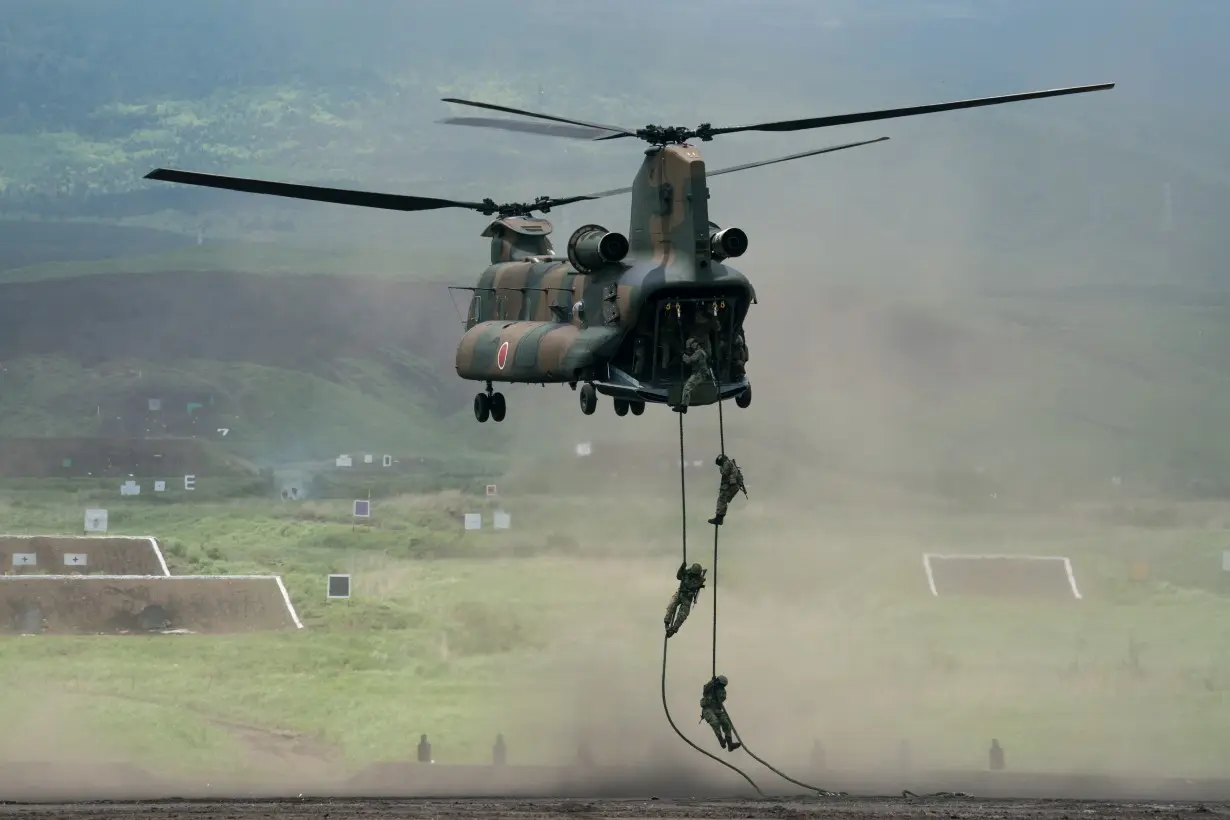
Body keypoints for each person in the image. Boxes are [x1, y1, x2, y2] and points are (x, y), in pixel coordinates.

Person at [664, 561, 707, 638]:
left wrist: (699, 583)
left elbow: (690, 586)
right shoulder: (687, 572)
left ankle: (674, 628)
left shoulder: (699, 580)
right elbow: (679, 576)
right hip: (680, 593)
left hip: (687, 598)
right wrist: (682, 568)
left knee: (682, 615)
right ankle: (667, 623)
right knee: (671, 606)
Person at [699, 675, 741, 752]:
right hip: (708, 709)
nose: (721, 686)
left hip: (717, 709)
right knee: (715, 722)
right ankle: (721, 740)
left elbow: (722, 698)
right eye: (720, 684)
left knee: (726, 723)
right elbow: (705, 690)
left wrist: (716, 691)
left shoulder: (723, 691)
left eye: (723, 685)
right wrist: (712, 683)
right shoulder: (709, 686)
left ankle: (730, 744)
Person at [708, 454, 747, 526]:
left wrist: (721, 468)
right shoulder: (730, 463)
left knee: (722, 500)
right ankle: (720, 518)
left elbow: (724, 472)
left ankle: (719, 518)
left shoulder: (726, 463)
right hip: (734, 485)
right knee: (723, 500)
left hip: (731, 485)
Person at [680, 337, 710, 407]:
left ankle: (684, 406)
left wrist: (683, 355)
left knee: (687, 388)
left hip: (699, 374)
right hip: (701, 373)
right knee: (687, 387)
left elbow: (689, 361)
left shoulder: (698, 352)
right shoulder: (702, 351)